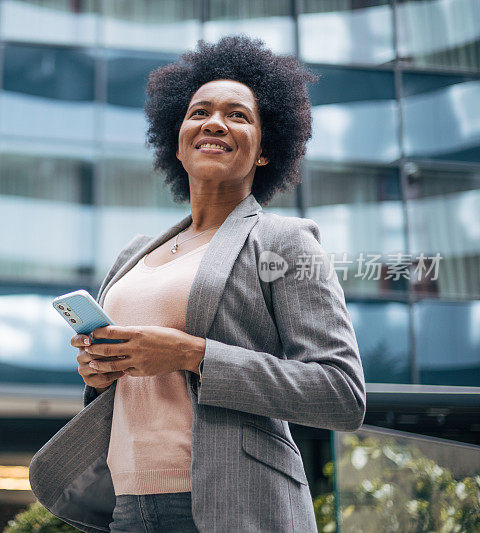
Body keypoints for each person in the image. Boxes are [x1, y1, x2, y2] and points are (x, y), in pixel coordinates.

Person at [29, 35, 366, 533]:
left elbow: (341, 393)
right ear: (178, 142)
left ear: (266, 150)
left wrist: (193, 355)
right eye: (199, 112)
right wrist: (100, 370)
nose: (214, 122)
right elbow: (138, 379)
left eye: (238, 115)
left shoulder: (284, 242)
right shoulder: (135, 254)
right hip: (129, 505)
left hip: (235, 504)